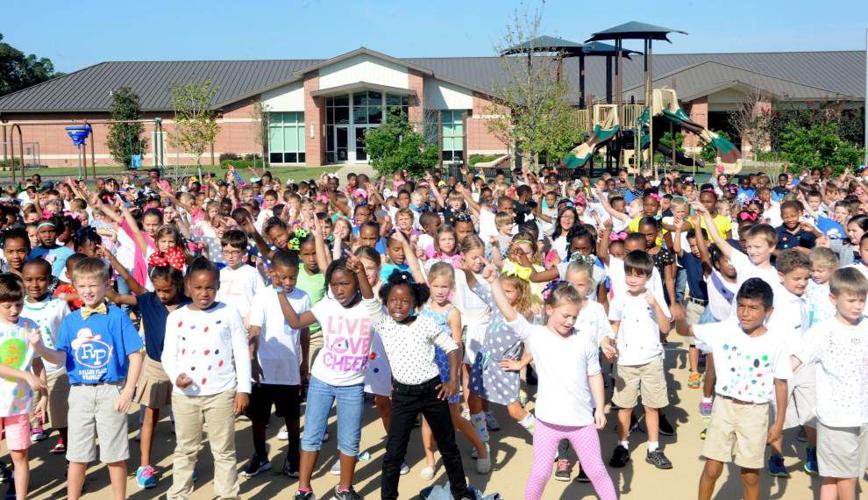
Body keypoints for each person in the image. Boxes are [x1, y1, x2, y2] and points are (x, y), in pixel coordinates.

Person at [487, 272, 616, 500]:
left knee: (597, 471)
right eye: (565, 316)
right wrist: (493, 282)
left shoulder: (584, 339)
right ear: (549, 310)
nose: (570, 322)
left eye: (574, 317)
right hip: (547, 422)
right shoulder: (535, 335)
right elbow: (509, 312)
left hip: (582, 423)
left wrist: (599, 408)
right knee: (540, 474)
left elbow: (595, 374)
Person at [355, 260, 472, 500]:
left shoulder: (425, 323)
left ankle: (460, 493)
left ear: (415, 303)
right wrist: (359, 272)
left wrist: (452, 380)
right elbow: (368, 298)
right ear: (386, 302)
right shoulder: (384, 323)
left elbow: (452, 348)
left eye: (405, 301)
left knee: (448, 447)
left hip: (433, 391)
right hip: (403, 395)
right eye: (393, 300)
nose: (398, 305)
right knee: (394, 453)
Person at [29, 257, 144, 500]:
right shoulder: (71, 321)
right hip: (79, 392)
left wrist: (127, 391)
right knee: (77, 454)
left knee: (114, 454)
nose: (88, 291)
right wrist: (39, 348)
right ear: (74, 287)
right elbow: (59, 357)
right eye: (82, 286)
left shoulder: (117, 317)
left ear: (106, 284)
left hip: (111, 390)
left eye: (93, 285)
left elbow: (135, 355)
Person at [675, 278, 791, 500]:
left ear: (769, 311)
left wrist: (778, 424)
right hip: (724, 406)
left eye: (754, 308)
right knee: (711, 468)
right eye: (741, 306)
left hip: (755, 411)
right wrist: (680, 317)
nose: (745, 313)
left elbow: (781, 383)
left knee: (750, 476)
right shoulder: (722, 331)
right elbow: (684, 330)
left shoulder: (776, 343)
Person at [278, 257, 372, 500]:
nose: (339, 289)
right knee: (311, 435)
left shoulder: (369, 308)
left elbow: (370, 298)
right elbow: (296, 322)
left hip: (352, 386)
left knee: (350, 440)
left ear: (357, 283)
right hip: (321, 382)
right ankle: (303, 489)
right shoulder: (326, 306)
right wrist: (280, 292)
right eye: (334, 284)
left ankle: (344, 489)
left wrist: (361, 271)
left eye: (345, 283)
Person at [162, 257, 251, 500]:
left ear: (218, 286)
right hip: (185, 397)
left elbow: (241, 352)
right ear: (187, 286)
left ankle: (227, 495)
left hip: (221, 393)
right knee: (185, 449)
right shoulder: (176, 318)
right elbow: (168, 354)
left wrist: (243, 389)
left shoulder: (229, 313)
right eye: (198, 287)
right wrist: (175, 376)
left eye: (209, 287)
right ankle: (178, 494)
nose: (204, 293)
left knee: (223, 451)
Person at [104, 254, 188, 489]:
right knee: (150, 415)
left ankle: (184, 463)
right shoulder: (147, 300)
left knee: (183, 418)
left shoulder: (189, 305)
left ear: (178, 285)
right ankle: (144, 465)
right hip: (155, 366)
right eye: (158, 290)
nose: (162, 295)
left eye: (167, 290)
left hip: (183, 368)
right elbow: (121, 290)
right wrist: (109, 266)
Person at [790, 268, 868, 500]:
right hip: (836, 419)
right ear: (833, 299)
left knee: (833, 477)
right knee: (847, 477)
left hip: (863, 415)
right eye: (851, 300)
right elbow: (795, 361)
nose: (858, 305)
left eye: (862, 300)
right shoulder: (822, 332)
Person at [602, 250, 673, 469]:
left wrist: (656, 306)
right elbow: (614, 325)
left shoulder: (653, 297)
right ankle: (622, 445)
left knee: (652, 406)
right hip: (625, 361)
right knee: (625, 406)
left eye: (639, 275)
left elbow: (665, 328)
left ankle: (654, 448)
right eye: (629, 274)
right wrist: (609, 343)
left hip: (651, 359)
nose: (633, 279)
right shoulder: (619, 299)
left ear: (648, 276)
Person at [243, 250, 311, 478]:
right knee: (259, 420)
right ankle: (260, 456)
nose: (288, 282)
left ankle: (293, 456)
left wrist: (304, 365)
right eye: (283, 277)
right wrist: (252, 360)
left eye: (293, 277)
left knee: (292, 419)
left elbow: (304, 334)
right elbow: (254, 330)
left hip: (290, 370)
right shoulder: (263, 296)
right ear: (273, 274)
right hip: (263, 370)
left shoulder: (303, 297)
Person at [420, 262, 490, 478]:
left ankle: (481, 449)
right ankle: (430, 460)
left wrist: (454, 376)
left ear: (451, 288)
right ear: (429, 285)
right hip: (425, 369)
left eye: (445, 287)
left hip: (446, 371)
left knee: (454, 416)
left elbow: (457, 345)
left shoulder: (453, 312)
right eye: (436, 286)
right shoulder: (422, 309)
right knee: (426, 418)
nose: (440, 291)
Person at [0, 273, 46, 500]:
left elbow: (37, 362)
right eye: (7, 306)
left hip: (19, 403)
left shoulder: (30, 326)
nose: (14, 310)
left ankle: (21, 497)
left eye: (18, 304)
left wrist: (44, 395)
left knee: (19, 454)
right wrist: (24, 376)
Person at [19, 258, 69, 453]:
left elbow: (66, 334)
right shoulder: (18, 306)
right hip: (28, 371)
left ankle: (65, 440)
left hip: (57, 368)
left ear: (49, 280)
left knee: (60, 414)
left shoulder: (58, 305)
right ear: (22, 280)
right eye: (29, 279)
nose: (34, 284)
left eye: (40, 279)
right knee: (30, 412)